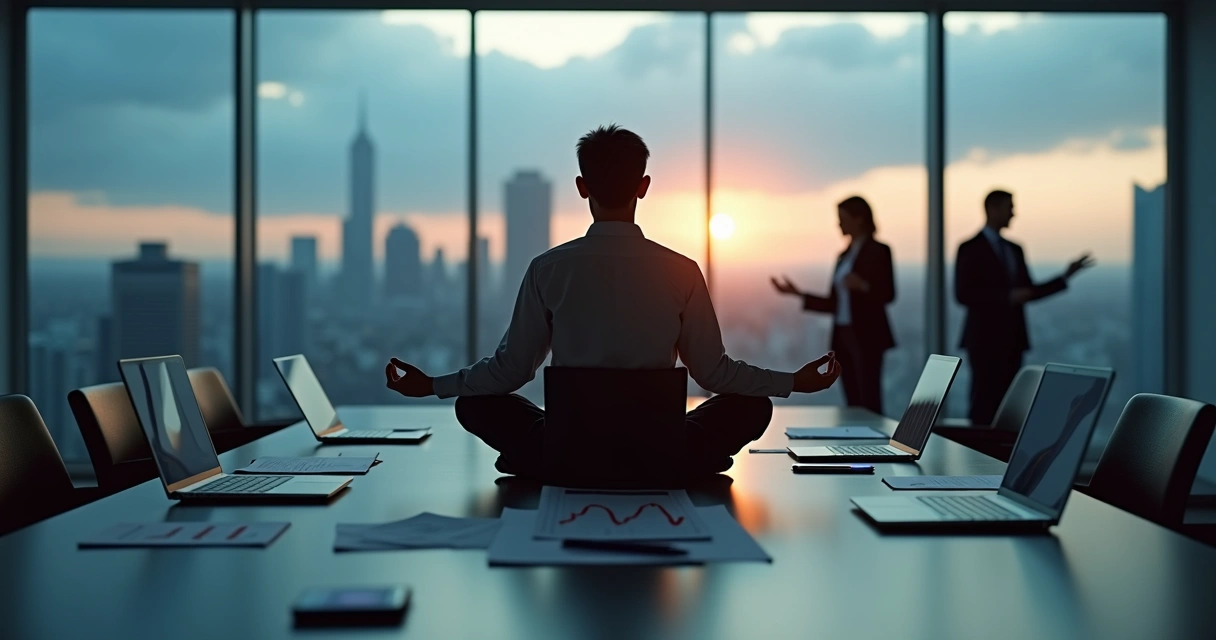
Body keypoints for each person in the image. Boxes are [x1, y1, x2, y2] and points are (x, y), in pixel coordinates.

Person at [384, 124, 841, 477]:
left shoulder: (548, 269)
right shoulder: (682, 270)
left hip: (567, 446)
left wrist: (431, 385)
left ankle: (545, 461)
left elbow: (509, 372)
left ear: (583, 187)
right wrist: (794, 381)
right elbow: (714, 373)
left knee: (473, 402)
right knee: (753, 404)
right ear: (643, 186)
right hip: (661, 445)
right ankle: (678, 462)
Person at [955, 189, 1094, 425]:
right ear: (992, 209)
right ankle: (977, 456)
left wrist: (1065, 277)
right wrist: (1007, 298)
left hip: (1012, 339)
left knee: (1010, 404)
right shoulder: (969, 248)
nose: (1014, 213)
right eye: (1009, 207)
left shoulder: (1014, 249)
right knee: (983, 403)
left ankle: (1002, 458)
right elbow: (963, 294)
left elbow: (1028, 292)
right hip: (984, 339)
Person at [771, 196, 895, 416]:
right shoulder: (843, 256)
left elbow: (888, 294)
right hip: (843, 335)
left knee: (870, 397)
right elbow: (834, 303)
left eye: (843, 218)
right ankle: (855, 444)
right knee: (853, 398)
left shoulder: (879, 251)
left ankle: (874, 447)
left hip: (868, 335)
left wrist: (864, 286)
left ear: (860, 219)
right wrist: (797, 293)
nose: (839, 224)